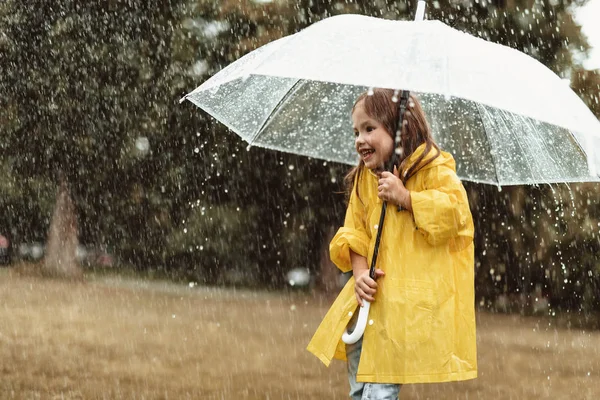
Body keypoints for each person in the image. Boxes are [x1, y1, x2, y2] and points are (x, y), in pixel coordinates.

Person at [307, 88, 477, 399]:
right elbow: (354, 232)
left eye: (369, 128)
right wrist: (359, 274)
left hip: (401, 306)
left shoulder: (430, 168)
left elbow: (456, 215)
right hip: (365, 303)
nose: (360, 139)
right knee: (360, 388)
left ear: (401, 130)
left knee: (380, 389)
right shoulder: (364, 178)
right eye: (356, 131)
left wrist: (406, 197)